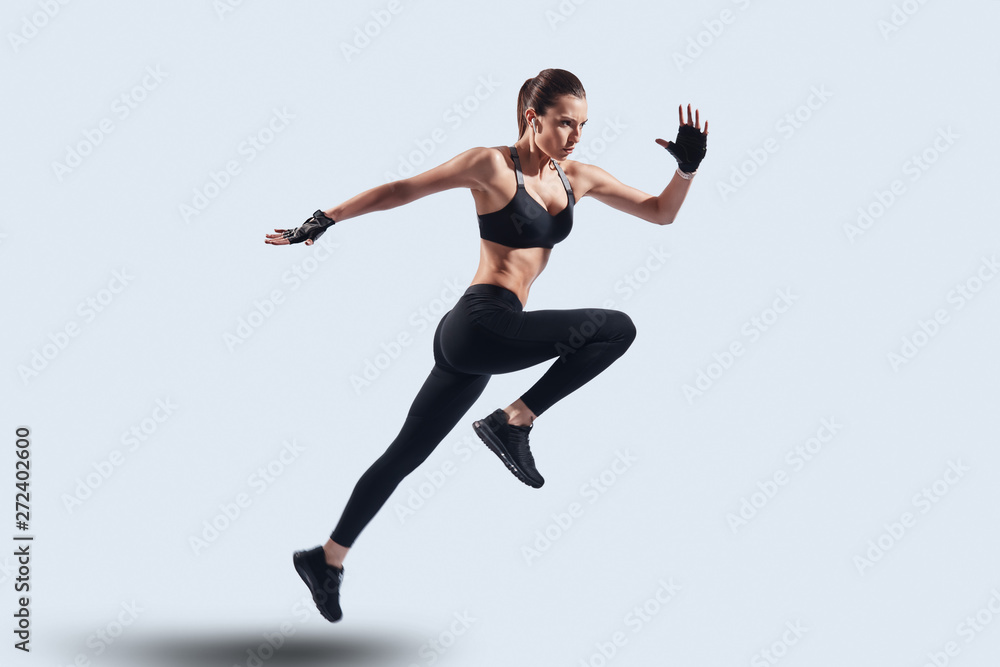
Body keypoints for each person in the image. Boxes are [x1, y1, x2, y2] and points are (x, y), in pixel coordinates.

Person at [264, 68, 707, 623]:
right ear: (532, 117)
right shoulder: (490, 165)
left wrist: (686, 169)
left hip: (485, 339)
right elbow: (403, 189)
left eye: (583, 124)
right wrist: (323, 219)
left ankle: (326, 559)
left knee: (406, 453)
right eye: (565, 122)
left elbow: (661, 212)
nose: (575, 135)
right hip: (478, 322)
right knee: (615, 327)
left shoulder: (579, 178)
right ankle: (512, 421)